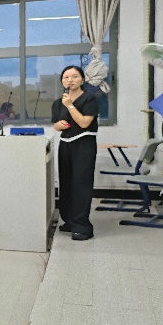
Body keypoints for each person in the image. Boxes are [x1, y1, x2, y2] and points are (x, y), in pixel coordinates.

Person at [52, 65, 99, 241]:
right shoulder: (58, 102)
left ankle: (83, 226)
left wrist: (70, 105)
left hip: (84, 144)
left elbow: (85, 123)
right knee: (66, 183)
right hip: (65, 144)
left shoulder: (89, 99)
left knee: (81, 183)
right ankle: (70, 221)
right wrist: (58, 125)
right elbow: (56, 125)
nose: (69, 80)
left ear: (82, 80)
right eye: (66, 77)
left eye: (74, 77)